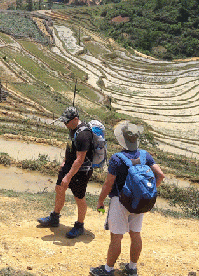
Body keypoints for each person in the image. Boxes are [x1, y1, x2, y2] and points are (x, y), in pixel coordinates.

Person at [90, 122, 165, 276]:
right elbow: (161, 175)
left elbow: (108, 183)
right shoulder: (145, 155)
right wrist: (150, 191)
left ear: (122, 140)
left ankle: (108, 270)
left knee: (116, 236)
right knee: (135, 234)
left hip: (120, 202)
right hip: (139, 201)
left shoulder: (117, 158)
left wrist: (100, 201)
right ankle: (132, 268)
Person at [37, 106, 95, 238]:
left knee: (79, 198)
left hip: (81, 170)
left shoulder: (83, 135)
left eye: (66, 121)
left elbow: (80, 160)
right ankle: (54, 217)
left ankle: (79, 226)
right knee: (59, 188)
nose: (65, 124)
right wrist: (64, 162)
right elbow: (70, 148)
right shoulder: (72, 129)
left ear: (75, 119)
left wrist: (68, 177)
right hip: (69, 165)